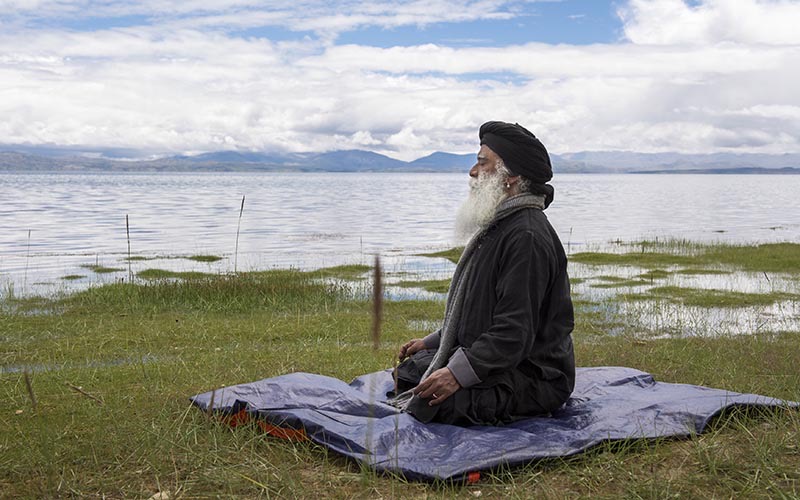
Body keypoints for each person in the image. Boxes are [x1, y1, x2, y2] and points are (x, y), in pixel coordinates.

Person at [389, 121, 575, 426]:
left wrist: (455, 374)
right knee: (410, 374)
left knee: (429, 404)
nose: (472, 172)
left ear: (511, 177)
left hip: (534, 375)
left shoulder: (526, 236)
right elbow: (481, 310)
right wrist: (434, 341)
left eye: (481, 162)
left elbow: (513, 333)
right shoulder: (500, 226)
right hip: (502, 361)